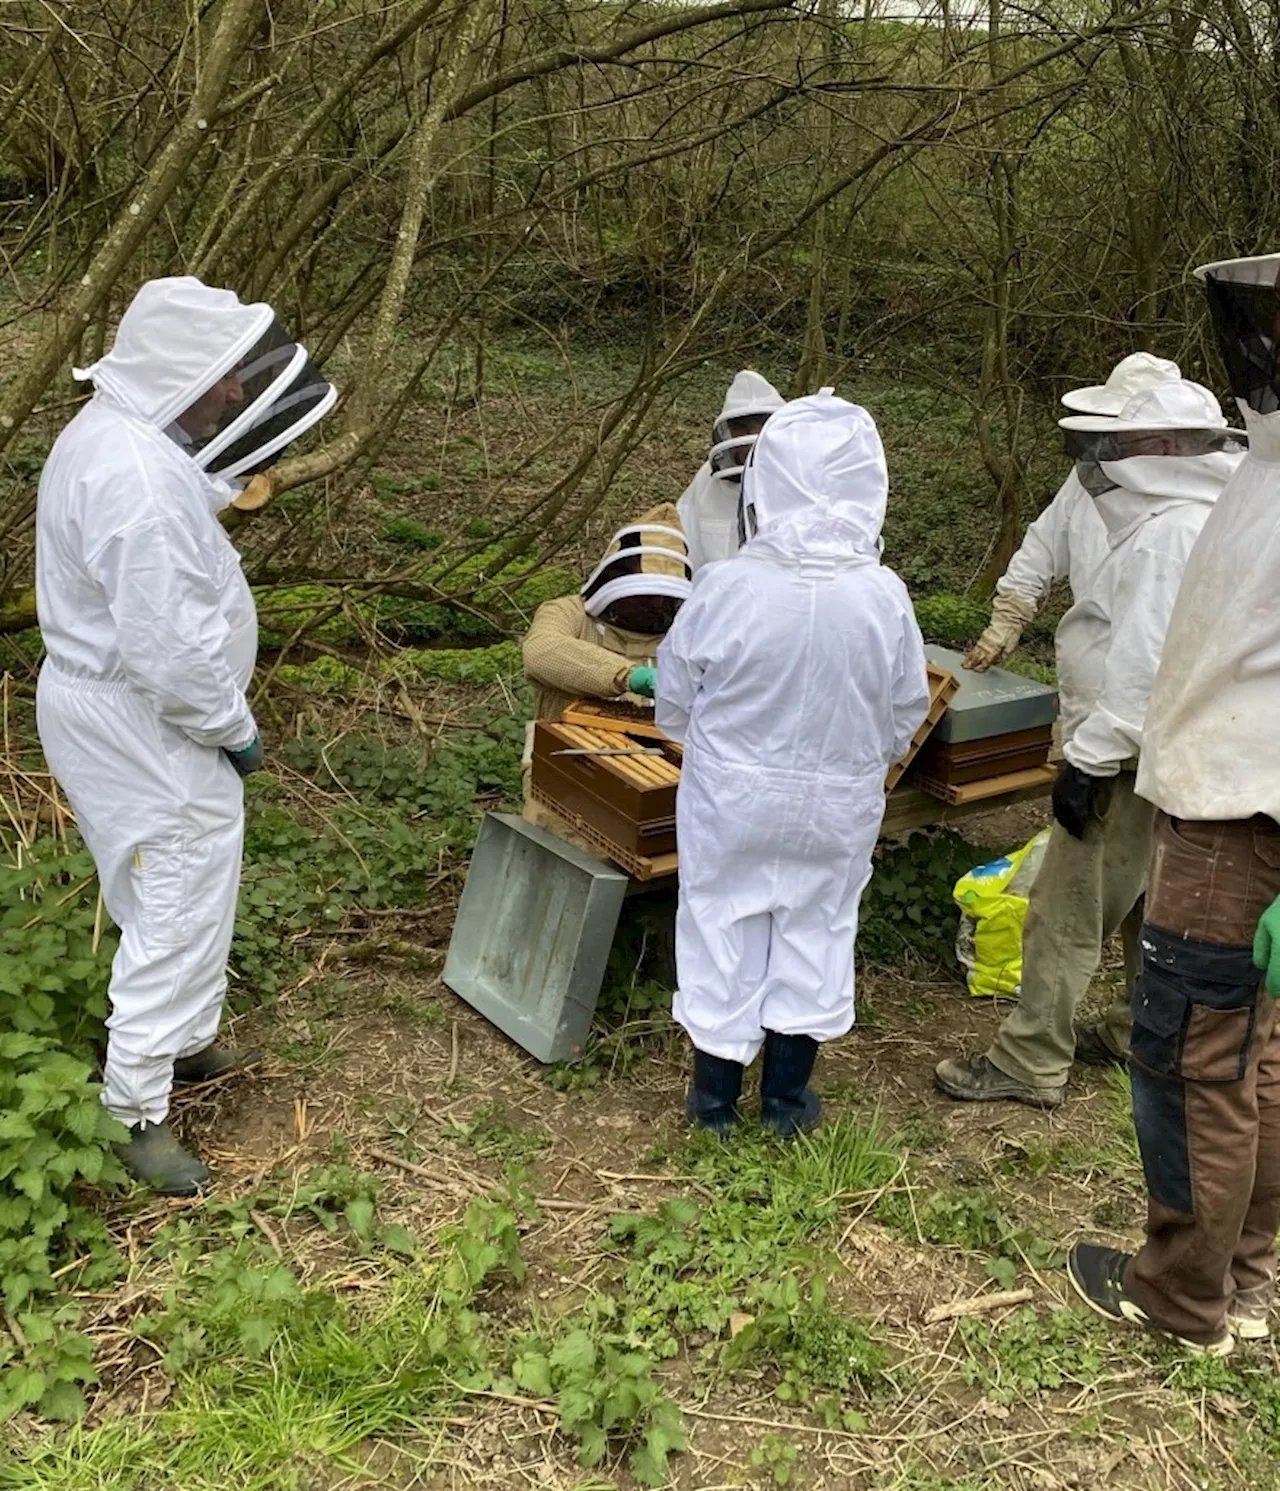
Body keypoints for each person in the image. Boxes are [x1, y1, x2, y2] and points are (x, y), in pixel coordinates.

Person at [36, 276, 336, 1196]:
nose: (239, 392)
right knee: (171, 895)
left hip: (122, 710)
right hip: (147, 716)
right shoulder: (131, 481)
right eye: (226, 377)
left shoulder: (118, 438)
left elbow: (166, 519)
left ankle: (185, 1038)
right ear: (183, 373)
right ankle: (133, 1110)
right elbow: (169, 652)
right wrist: (234, 727)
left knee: (179, 882)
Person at [1066, 253, 1280, 1357]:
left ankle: (1180, 1299)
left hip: (1235, 820)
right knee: (1251, 1054)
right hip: (1226, 800)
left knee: (1189, 1051)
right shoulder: (1263, 469)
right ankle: (1238, 1280)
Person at [936, 380, 1244, 1110]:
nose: (1102, 458)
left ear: (1165, 446)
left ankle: (1031, 1059)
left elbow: (1140, 673)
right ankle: (1144, 1032)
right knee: (1159, 905)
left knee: (1067, 906)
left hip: (1130, 751)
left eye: (1118, 443)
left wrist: (1087, 758)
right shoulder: (1208, 513)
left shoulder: (1170, 533)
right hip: (1182, 750)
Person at [656, 390, 930, 1137]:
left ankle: (713, 1109)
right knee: (816, 930)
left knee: (721, 929)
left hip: (731, 799)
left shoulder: (728, 585)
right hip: (837, 804)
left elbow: (674, 699)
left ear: (766, 482)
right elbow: (907, 708)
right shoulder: (883, 596)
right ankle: (786, 1106)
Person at [964, 352, 1181, 673]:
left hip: (1162, 678)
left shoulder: (1200, 509)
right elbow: (1044, 544)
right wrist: (1008, 618)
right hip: (1088, 667)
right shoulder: (1090, 476)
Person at [520, 504, 691, 834]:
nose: (653, 607)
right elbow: (540, 651)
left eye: (662, 599)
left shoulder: (683, 637)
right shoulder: (567, 613)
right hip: (564, 773)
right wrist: (630, 677)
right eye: (644, 596)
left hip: (653, 778)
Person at [677, 370, 785, 571]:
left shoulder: (802, 481)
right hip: (717, 598)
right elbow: (683, 546)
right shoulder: (706, 482)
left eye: (758, 427)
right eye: (741, 429)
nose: (751, 437)